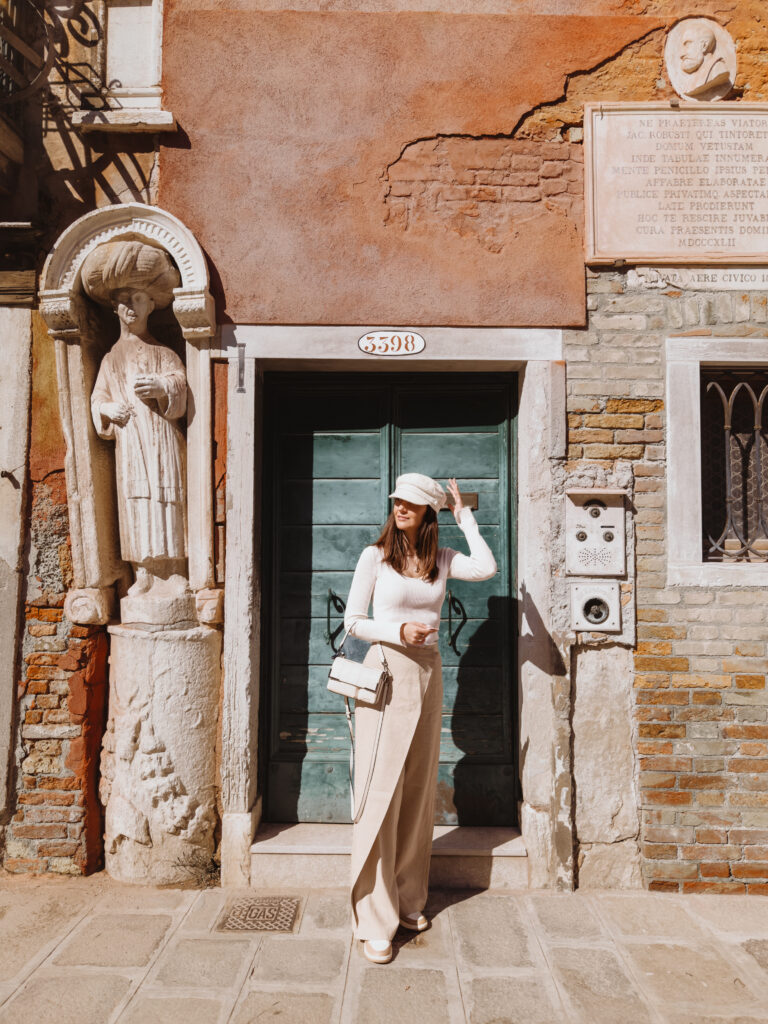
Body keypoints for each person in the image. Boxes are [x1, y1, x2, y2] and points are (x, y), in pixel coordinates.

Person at [344, 472, 497, 964]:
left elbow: (488, 568)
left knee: (416, 790)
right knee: (381, 792)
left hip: (428, 678)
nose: (400, 507)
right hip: (386, 674)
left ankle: (409, 900)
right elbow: (352, 621)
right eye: (397, 500)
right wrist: (397, 629)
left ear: (428, 511)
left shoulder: (441, 560)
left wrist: (464, 517)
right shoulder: (375, 556)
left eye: (410, 502)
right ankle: (374, 915)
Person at [82, 241, 187, 597]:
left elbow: (181, 388)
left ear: (152, 305)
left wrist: (162, 386)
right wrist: (107, 409)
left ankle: (173, 571)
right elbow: (98, 398)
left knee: (167, 499)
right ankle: (143, 573)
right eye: (124, 299)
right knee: (135, 501)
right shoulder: (111, 358)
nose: (130, 305)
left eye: (138, 298)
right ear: (114, 307)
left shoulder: (164, 352)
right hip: (129, 441)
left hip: (161, 436)